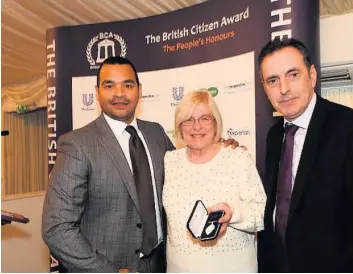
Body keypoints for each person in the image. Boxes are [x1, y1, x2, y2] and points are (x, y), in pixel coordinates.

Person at [42, 56, 237, 272]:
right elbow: (57, 227)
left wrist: (218, 148)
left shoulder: (156, 133)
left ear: (139, 90)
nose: (119, 93)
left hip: (161, 264)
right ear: (97, 92)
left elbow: (187, 173)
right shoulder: (78, 144)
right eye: (109, 85)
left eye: (127, 85)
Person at [257, 37, 353, 272]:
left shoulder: (347, 126)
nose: (283, 89)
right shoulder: (273, 136)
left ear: (311, 76)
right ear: (265, 88)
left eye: (292, 74)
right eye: (273, 80)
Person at [163, 89, 266, 272]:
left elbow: (261, 213)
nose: (197, 127)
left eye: (204, 118)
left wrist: (233, 213)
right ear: (179, 127)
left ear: (215, 123)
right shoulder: (169, 161)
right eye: (188, 120)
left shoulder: (237, 158)